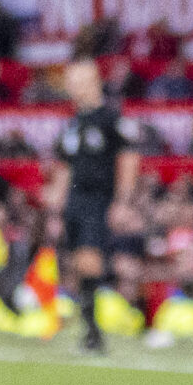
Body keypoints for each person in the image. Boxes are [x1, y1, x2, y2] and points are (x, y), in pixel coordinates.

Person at [48, 57, 138, 354]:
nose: (71, 87)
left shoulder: (110, 119)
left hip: (99, 199)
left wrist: (123, 200)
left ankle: (94, 332)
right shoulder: (72, 124)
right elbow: (63, 168)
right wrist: (55, 209)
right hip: (75, 201)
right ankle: (89, 328)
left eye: (76, 81)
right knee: (77, 263)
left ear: (92, 82)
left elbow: (128, 158)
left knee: (90, 260)